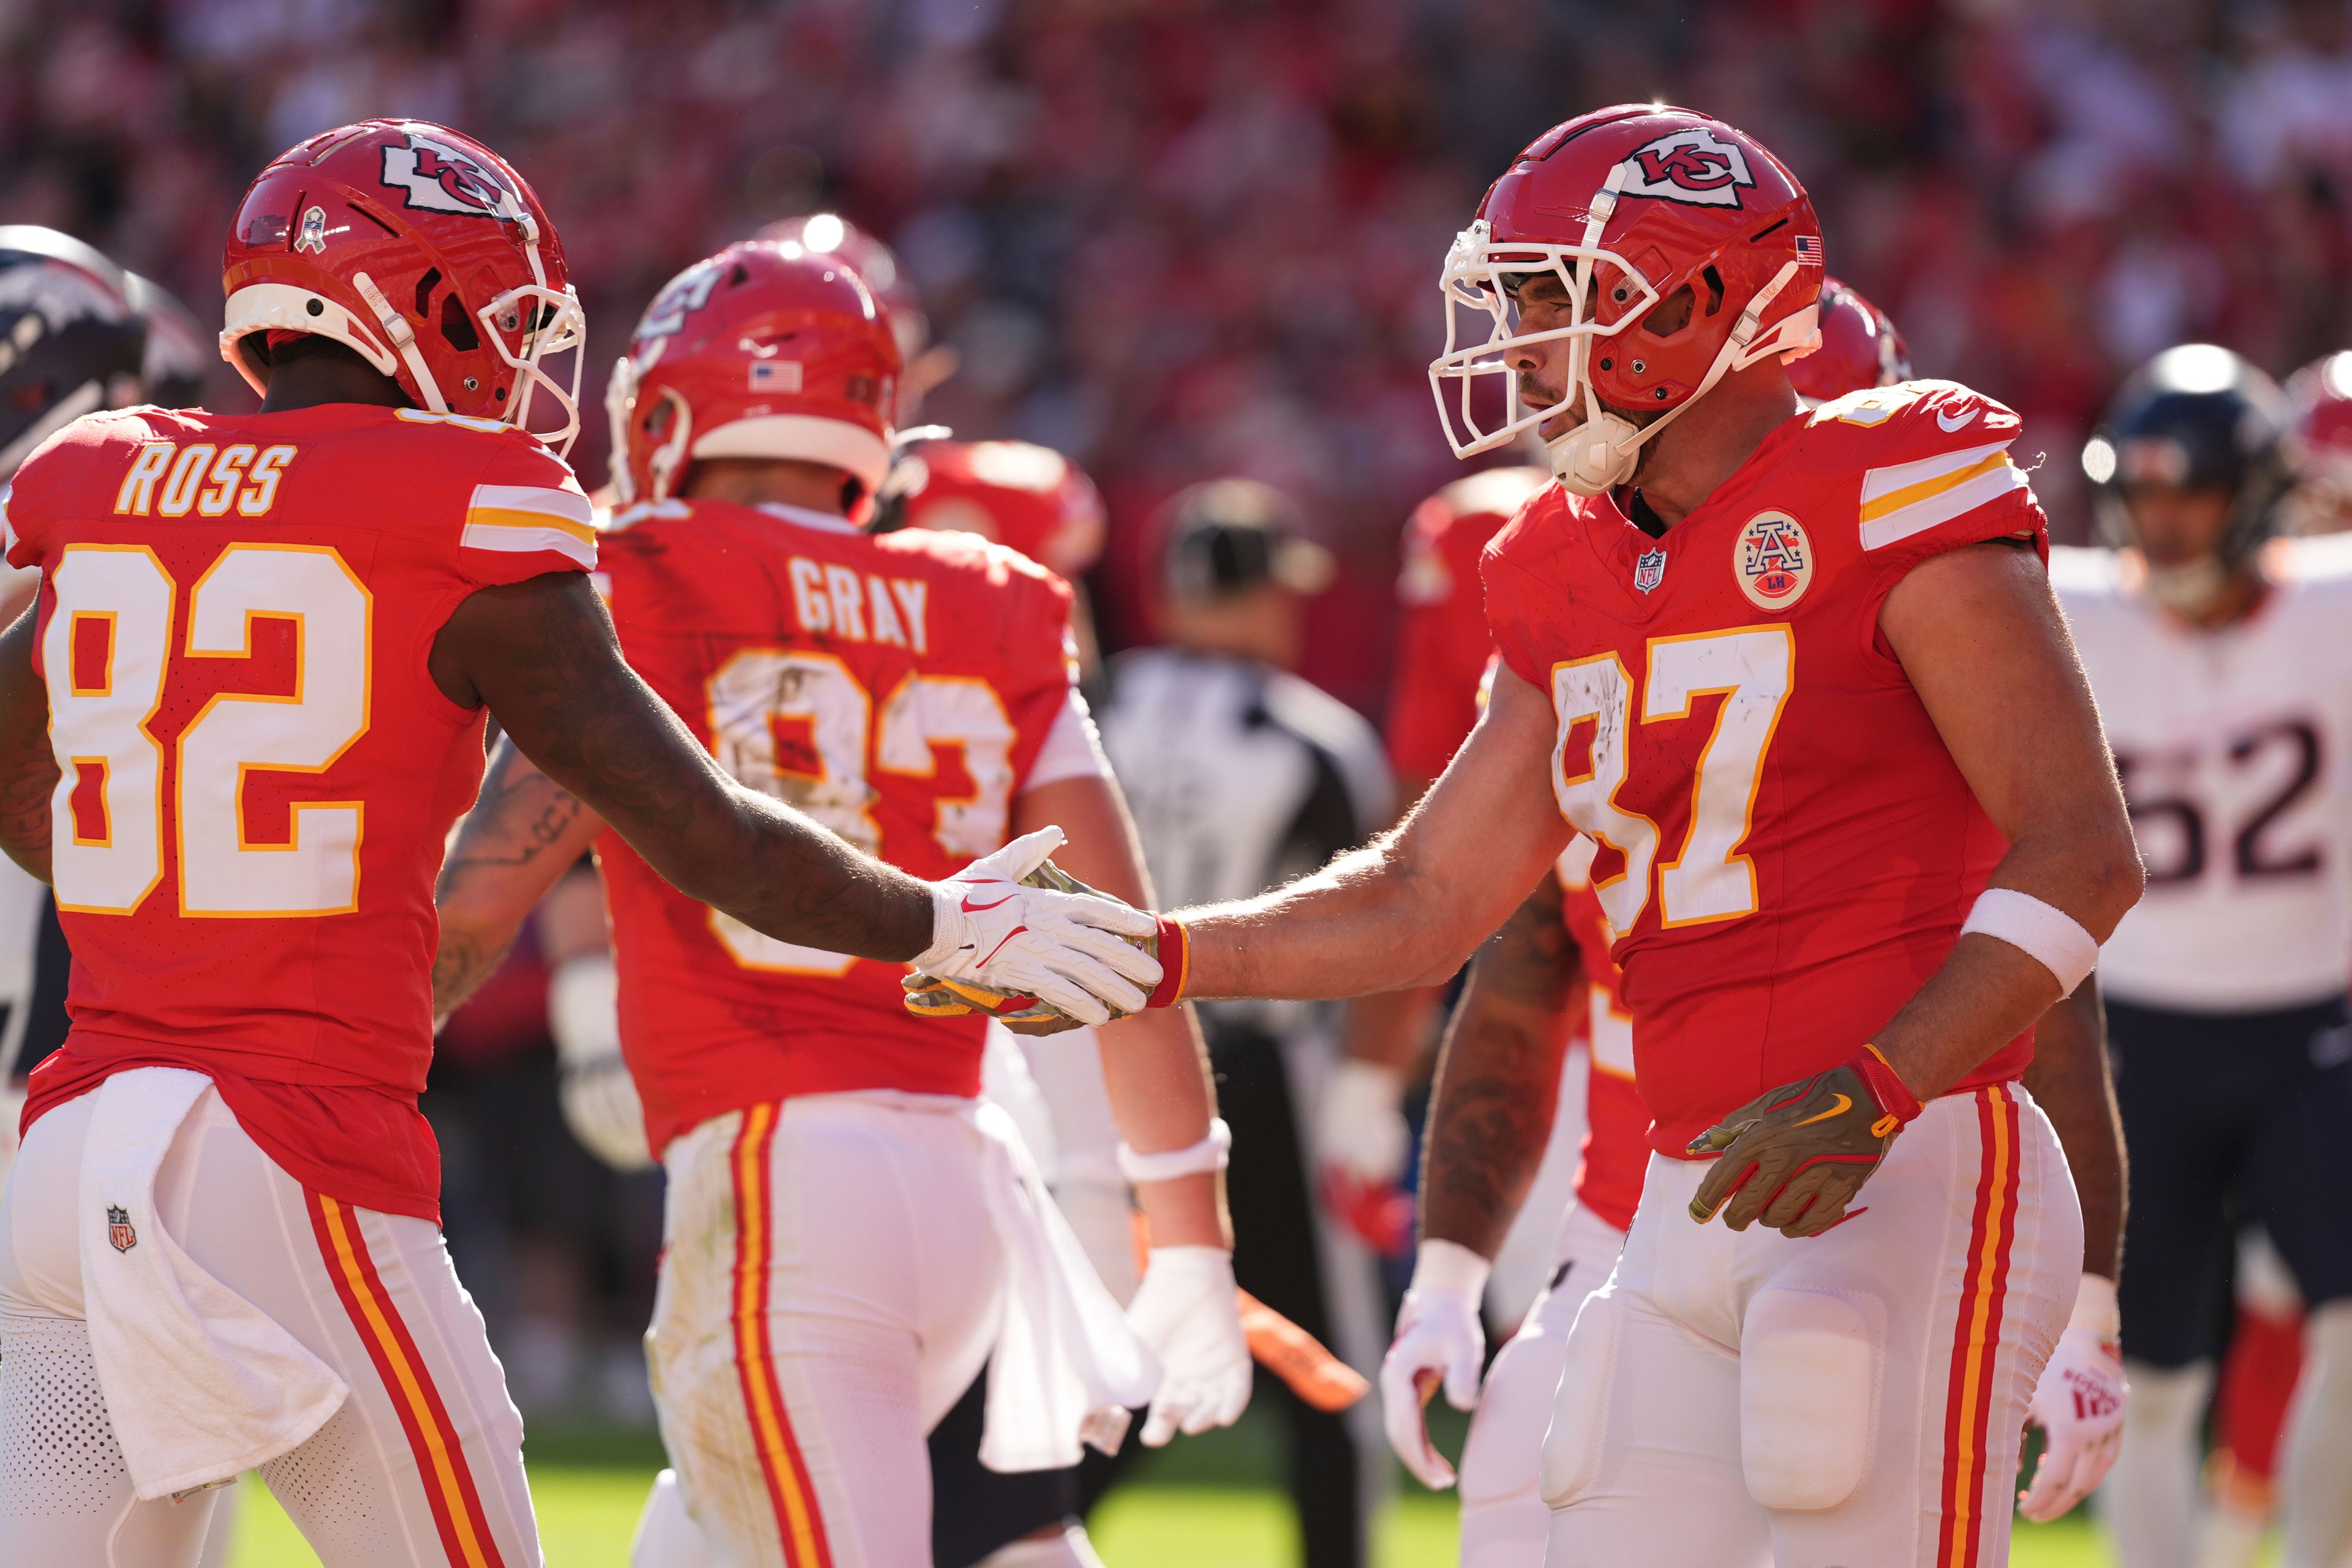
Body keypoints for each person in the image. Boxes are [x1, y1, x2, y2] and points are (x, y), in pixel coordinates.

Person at [0, 119, 1158, 1568]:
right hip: (291, 1150)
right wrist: (940, 921)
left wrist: (165, 886)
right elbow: (706, 829)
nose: (519, 353)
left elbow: (13, 767)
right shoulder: (463, 510)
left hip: (66, 1154)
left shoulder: (103, 479)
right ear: (415, 302)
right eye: (503, 310)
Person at [1077, 104, 2144, 1566]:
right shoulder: (1561, 561)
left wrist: (1881, 1085)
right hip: (1682, 1186)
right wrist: (1148, 952)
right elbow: (1428, 893)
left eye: (1546, 297)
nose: (1513, 343)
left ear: (1693, 298)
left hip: (1910, 1166)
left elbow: (2083, 850)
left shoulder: (1890, 482)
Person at [431, 238, 1250, 1568]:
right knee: (704, 1536)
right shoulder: (991, 597)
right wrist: (1193, 1238)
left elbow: (477, 904)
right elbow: (1127, 948)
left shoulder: (635, 569)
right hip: (965, 1173)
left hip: (780, 1180)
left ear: (671, 408)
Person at [1374, 273, 2135, 1566]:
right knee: (1527, 1486)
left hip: (1868, 1202)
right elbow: (1507, 974)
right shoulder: (1591, 636)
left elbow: (2045, 1001)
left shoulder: (1909, 657)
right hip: (1629, 1224)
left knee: (1827, 1427)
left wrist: (2091, 1306)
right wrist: (1448, 1274)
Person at [2061, 344, 2352, 1568]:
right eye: (2148, 494)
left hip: (2315, 1029)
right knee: (2151, 1373)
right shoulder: (2069, 606)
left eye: (2194, 495)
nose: (2166, 525)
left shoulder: (2334, 602)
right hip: (2139, 1036)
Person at [1094, 477, 1393, 1568]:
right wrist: (1369, 1092)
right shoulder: (1313, 736)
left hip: (1087, 1065)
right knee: (1324, 1362)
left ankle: (1021, 1539)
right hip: (1255, 1067)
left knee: (1105, 1341)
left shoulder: (1081, 703)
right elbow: (1367, 935)